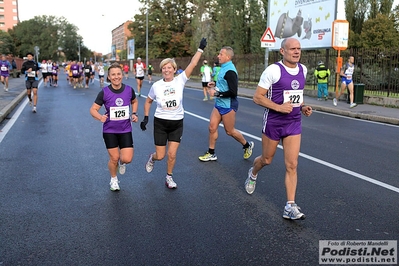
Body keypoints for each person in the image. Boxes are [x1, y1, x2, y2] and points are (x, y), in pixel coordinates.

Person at [244, 38, 312, 220]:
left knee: (292, 164)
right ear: (282, 51)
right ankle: (253, 172)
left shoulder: (303, 70)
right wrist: (279, 107)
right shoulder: (273, 70)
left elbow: (297, 96)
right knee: (266, 160)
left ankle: (290, 206)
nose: (297, 52)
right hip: (274, 122)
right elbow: (257, 97)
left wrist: (303, 106)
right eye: (292, 49)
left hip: (294, 122)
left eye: (299, 49)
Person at [140, 37, 208, 189]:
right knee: (161, 155)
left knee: (171, 154)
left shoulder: (180, 80)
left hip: (177, 123)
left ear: (174, 69)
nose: (166, 70)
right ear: (161, 70)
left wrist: (200, 49)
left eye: (169, 67)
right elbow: (148, 101)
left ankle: (169, 177)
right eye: (164, 68)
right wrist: (145, 118)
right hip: (160, 123)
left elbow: (193, 63)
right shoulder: (156, 86)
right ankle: (152, 157)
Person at [198, 46, 254, 162]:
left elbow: (233, 92)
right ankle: (211, 153)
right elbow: (224, 84)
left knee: (230, 131)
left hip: (228, 105)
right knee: (212, 127)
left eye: (221, 54)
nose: (218, 56)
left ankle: (246, 145)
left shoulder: (230, 71)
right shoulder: (223, 68)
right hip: (219, 104)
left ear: (228, 57)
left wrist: (216, 94)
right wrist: (214, 84)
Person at [89, 63, 139, 191]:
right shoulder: (104, 92)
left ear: (122, 75)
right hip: (109, 130)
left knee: (127, 159)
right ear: (109, 77)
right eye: (113, 75)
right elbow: (93, 109)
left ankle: (122, 163)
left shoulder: (129, 90)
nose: (116, 77)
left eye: (118, 74)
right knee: (114, 158)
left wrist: (134, 113)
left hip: (125, 129)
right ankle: (114, 179)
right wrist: (100, 117)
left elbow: (134, 101)